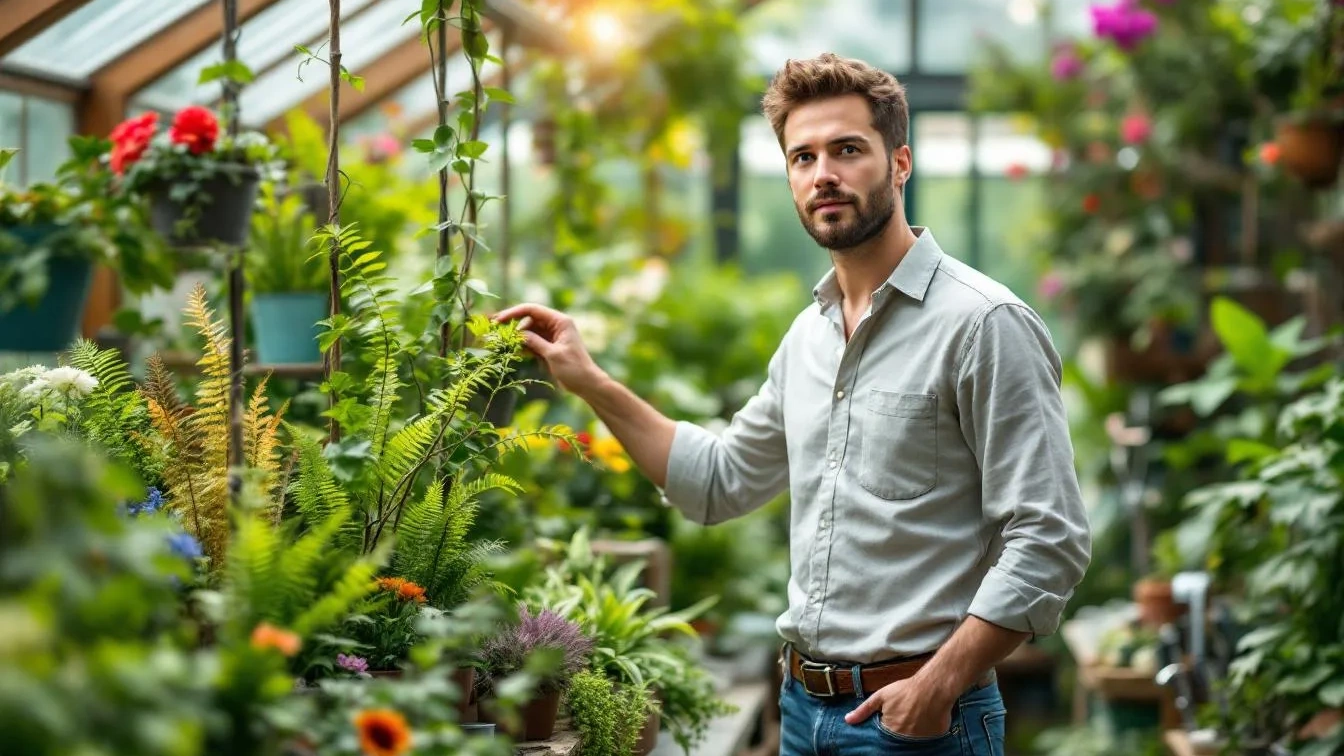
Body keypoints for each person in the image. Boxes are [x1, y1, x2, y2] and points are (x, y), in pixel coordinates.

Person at [494, 52, 1091, 755]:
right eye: (802, 157)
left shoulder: (985, 325)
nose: (823, 175)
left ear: (901, 163)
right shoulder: (808, 338)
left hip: (921, 722)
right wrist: (589, 380)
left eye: (847, 150)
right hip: (801, 715)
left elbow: (1049, 539)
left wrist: (936, 685)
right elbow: (716, 482)